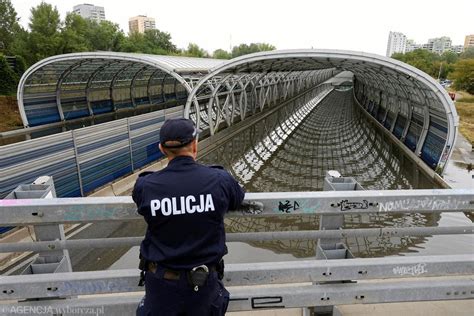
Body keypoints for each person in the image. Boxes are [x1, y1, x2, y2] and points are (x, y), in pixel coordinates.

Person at [133, 118, 245, 316]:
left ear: (162, 149)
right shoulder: (219, 181)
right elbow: (237, 199)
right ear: (194, 144)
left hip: (161, 288)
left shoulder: (146, 186)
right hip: (203, 288)